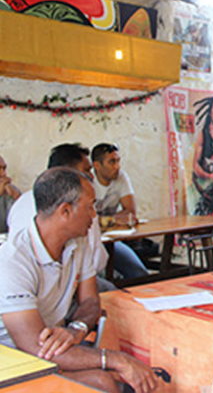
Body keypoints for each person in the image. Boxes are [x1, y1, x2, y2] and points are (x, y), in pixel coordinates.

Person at [0, 168, 158, 393]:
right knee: (104, 381)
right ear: (65, 211)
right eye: (90, 206)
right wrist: (116, 359)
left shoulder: (78, 243)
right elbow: (34, 347)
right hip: (13, 362)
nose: (94, 215)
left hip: (49, 351)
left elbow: (90, 301)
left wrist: (77, 328)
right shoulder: (12, 261)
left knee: (126, 380)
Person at [8, 144, 114, 291]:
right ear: (68, 175)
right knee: (114, 293)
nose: (91, 176)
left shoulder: (22, 201)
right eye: (86, 170)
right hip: (62, 286)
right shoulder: (80, 207)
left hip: (55, 285)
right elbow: (97, 263)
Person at [91, 143, 148, 279]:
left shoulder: (121, 177)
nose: (117, 166)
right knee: (97, 280)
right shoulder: (88, 182)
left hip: (112, 239)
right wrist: (115, 219)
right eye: (112, 162)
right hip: (91, 242)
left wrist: (103, 221)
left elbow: (130, 213)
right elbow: (89, 221)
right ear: (97, 166)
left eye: (118, 161)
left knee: (140, 275)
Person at [0, 153, 21, 232]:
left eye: (4, 169)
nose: (3, 174)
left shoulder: (10, 189)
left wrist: (16, 196)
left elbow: (23, 219)